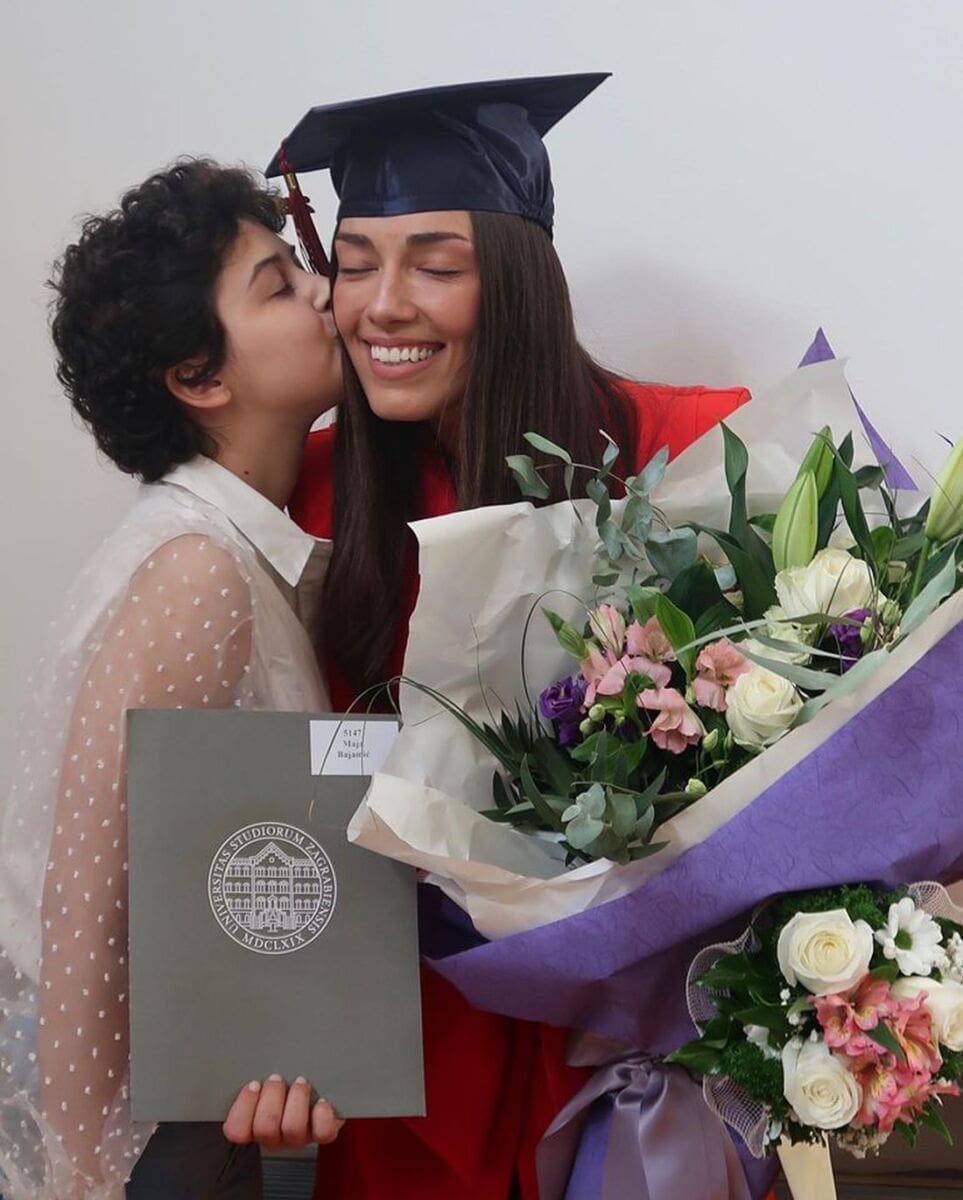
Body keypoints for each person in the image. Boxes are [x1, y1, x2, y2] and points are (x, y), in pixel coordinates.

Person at [272, 75, 752, 1199]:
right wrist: (271, 1027)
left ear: (519, 280)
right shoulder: (313, 495)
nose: (383, 306)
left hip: (645, 1058)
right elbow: (275, 790)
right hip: (408, 1057)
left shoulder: (689, 452)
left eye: (436, 266)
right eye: (355, 264)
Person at [0, 159, 344, 1200]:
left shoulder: (235, 547)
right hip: (138, 1145)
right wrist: (79, 1178)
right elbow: (82, 907)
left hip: (202, 1112)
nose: (327, 292)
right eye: (279, 285)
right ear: (199, 378)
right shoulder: (196, 570)